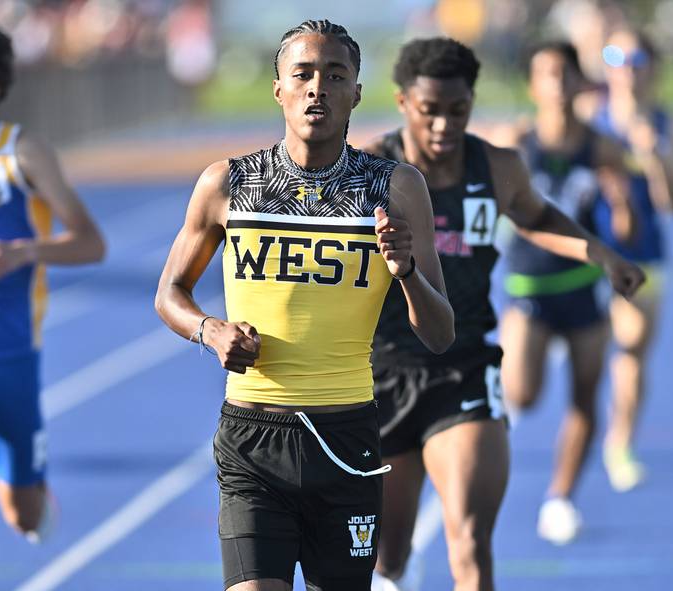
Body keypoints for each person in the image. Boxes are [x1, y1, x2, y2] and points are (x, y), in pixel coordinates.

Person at [154, 19, 454, 591]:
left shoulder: (394, 188)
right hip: (252, 439)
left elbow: (439, 332)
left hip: (347, 439)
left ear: (356, 93)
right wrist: (211, 331)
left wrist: (407, 271)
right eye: (303, 74)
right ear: (279, 89)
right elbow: (170, 294)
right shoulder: (229, 184)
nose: (318, 87)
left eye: (334, 75)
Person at [366, 37, 643, 591]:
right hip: (383, 373)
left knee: (469, 540)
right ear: (402, 103)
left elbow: (538, 217)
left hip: (464, 367)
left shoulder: (494, 166)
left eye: (458, 110)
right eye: (429, 111)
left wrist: (600, 253)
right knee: (387, 560)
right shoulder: (372, 169)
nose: (444, 125)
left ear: (472, 103)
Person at [0, 14, 105, 591]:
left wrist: (22, 252)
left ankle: (35, 497)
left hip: (12, 358)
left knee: (24, 516)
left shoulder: (21, 153)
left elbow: (91, 243)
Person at [499, 40, 636, 546]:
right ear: (533, 85)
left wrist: (622, 205)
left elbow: (629, 226)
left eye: (564, 74)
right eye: (545, 74)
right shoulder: (515, 142)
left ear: (579, 83)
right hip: (529, 285)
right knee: (523, 394)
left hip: (581, 286)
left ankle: (559, 498)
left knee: (584, 394)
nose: (556, 84)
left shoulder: (601, 147)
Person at [589, 29, 673, 492]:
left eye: (636, 57)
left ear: (651, 67)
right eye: (615, 56)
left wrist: (654, 155)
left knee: (631, 352)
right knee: (593, 349)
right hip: (589, 252)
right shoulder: (592, 115)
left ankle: (619, 442)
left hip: (643, 256)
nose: (626, 67)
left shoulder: (667, 122)